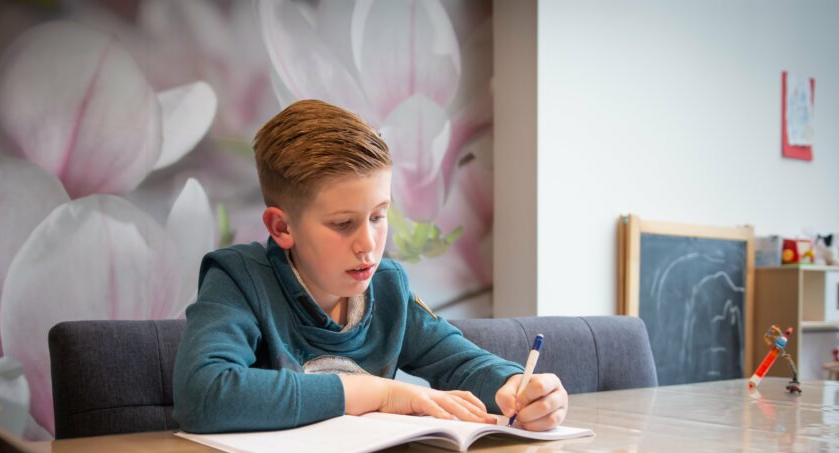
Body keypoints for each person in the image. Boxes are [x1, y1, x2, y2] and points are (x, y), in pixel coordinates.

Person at [172, 99, 568, 433]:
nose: (368, 244)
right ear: (282, 226)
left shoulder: (387, 287)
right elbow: (203, 394)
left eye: (378, 216)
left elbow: (461, 360)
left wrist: (515, 385)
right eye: (343, 224)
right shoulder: (238, 279)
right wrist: (380, 392)